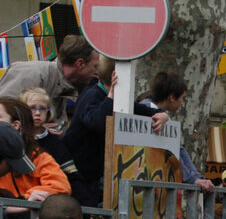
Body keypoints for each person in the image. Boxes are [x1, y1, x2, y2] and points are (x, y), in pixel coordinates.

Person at [63, 58, 167, 206]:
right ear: (116, 77)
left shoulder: (119, 99)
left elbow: (143, 110)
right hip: (83, 173)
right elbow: (99, 122)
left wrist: (162, 114)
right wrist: (111, 95)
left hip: (98, 173)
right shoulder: (92, 95)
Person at [0, 35, 100, 129]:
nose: (97, 72)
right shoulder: (31, 73)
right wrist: (37, 129)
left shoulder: (64, 85)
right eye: (95, 66)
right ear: (80, 63)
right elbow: (3, 113)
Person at [19, 87, 80, 184]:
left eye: (42, 108)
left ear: (48, 112)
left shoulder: (54, 143)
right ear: (21, 110)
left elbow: (72, 176)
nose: (38, 113)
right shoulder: (15, 138)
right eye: (32, 108)